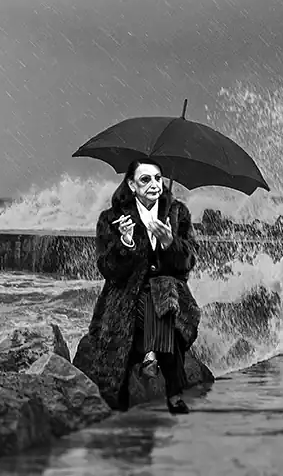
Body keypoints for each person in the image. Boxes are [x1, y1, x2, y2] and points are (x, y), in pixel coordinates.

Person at [73, 157, 199, 414]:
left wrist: (169, 243)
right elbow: (108, 270)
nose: (154, 184)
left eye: (157, 178)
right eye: (145, 179)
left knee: (161, 296)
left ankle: (151, 356)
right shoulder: (111, 218)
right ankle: (172, 391)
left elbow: (188, 262)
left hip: (170, 293)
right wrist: (126, 244)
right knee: (158, 304)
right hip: (126, 296)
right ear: (131, 185)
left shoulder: (177, 213)